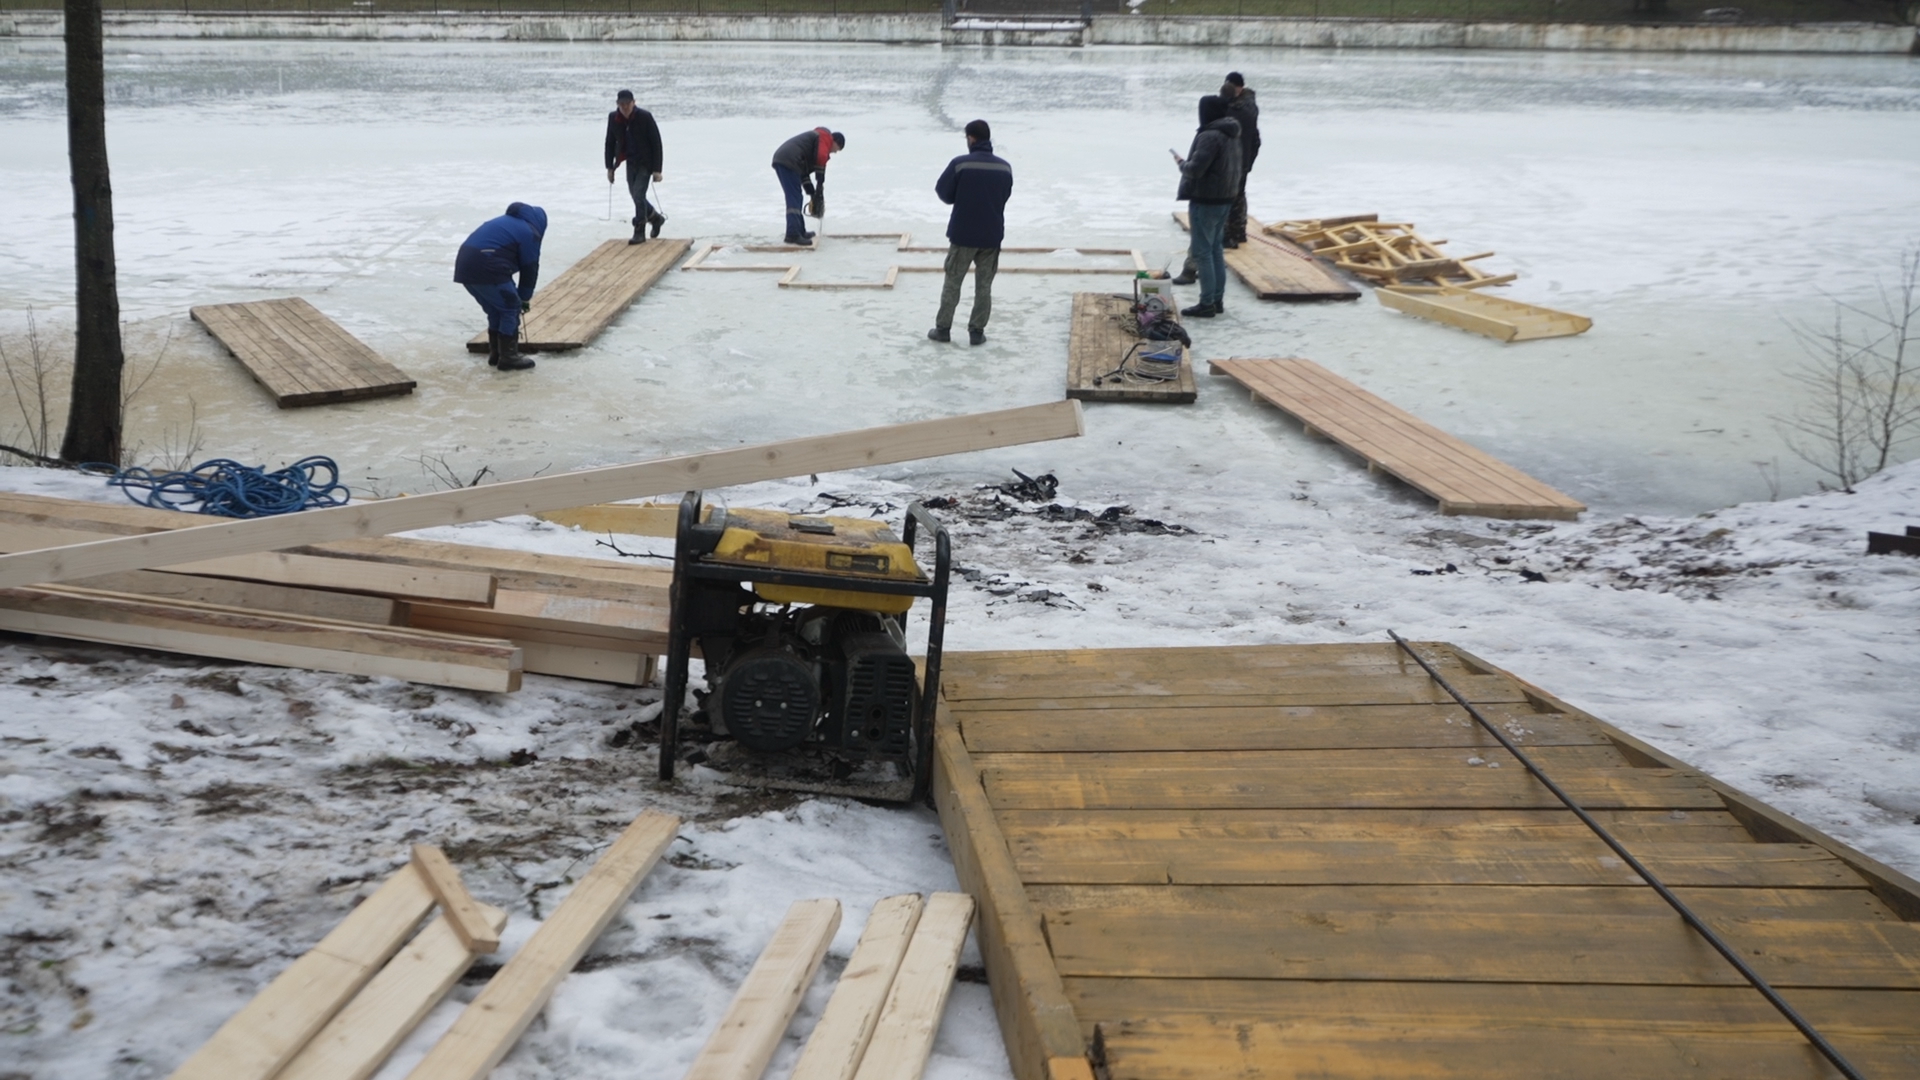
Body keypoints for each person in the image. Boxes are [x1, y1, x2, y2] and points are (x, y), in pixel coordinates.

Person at [928, 119, 1013, 347]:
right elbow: (1005, 195)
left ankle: (943, 329)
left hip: (963, 234)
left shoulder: (960, 164)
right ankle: (977, 332)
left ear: (971, 138)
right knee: (984, 286)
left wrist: (964, 197)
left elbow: (943, 192)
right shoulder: (1004, 167)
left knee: (953, 282)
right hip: (991, 236)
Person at [1174, 70, 1260, 281]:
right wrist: (1247, 162)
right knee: (1234, 206)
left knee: (1205, 241)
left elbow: (1196, 168)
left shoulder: (1217, 129)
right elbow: (1256, 140)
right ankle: (1236, 234)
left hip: (1213, 187)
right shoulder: (1246, 115)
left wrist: (1182, 164)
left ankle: (1194, 276)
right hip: (1236, 169)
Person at [453, 202, 545, 372]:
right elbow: (530, 268)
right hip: (488, 266)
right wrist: (524, 298)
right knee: (510, 308)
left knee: (497, 310)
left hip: (465, 267)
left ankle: (496, 354)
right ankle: (509, 357)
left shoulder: (503, 222)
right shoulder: (529, 232)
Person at [1173, 95, 1242, 320]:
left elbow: (1195, 169)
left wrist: (1181, 163)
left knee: (1203, 252)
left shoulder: (1210, 136)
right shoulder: (1231, 134)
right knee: (1215, 251)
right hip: (1225, 199)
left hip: (1206, 200)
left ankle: (1207, 303)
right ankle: (1217, 299)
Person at [604, 89, 665, 246]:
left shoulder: (644, 117)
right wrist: (610, 168)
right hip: (630, 162)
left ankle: (639, 232)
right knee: (636, 195)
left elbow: (656, 142)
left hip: (646, 162)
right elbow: (610, 143)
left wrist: (657, 170)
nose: (625, 107)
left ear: (634, 103)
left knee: (638, 194)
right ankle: (655, 218)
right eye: (621, 104)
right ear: (617, 104)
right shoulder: (613, 118)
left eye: (628, 104)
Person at [771, 127, 844, 245]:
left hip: (787, 160)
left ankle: (800, 231)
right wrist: (820, 185)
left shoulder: (813, 144)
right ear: (835, 141)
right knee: (794, 197)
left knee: (796, 197)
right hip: (788, 160)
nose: (835, 152)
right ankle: (792, 235)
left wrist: (812, 193)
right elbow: (821, 157)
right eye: (837, 149)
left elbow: (804, 172)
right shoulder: (825, 138)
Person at [1221, 72, 1261, 248]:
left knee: (1231, 197)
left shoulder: (1239, 109)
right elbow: (1256, 139)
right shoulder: (1251, 106)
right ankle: (1239, 233)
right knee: (1239, 195)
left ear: (1239, 87)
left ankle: (1229, 236)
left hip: (1235, 160)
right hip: (1243, 159)